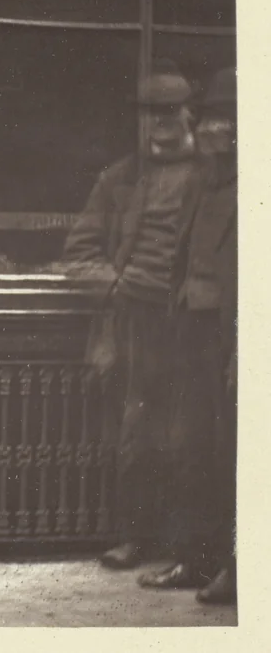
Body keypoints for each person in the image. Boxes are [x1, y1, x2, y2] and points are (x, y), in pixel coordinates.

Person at [62, 61, 200, 572]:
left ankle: (189, 548)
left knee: (195, 434)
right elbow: (78, 252)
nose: (160, 124)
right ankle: (137, 538)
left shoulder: (216, 177)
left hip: (195, 323)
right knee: (137, 433)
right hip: (134, 324)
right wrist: (116, 286)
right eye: (149, 114)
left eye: (170, 112)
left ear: (190, 114)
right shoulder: (120, 178)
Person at [138, 67, 237, 603]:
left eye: (223, 118)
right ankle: (198, 560)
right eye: (211, 116)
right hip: (193, 328)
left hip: (234, 335)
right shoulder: (203, 177)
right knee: (192, 445)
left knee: (232, 452)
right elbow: (180, 251)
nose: (210, 127)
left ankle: (238, 568)